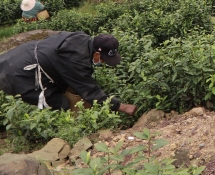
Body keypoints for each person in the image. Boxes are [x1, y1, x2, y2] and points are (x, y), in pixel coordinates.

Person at [0, 32, 136, 115]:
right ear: (96, 53)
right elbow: (91, 92)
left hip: (23, 53)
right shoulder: (77, 62)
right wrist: (121, 107)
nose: (104, 63)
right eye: (103, 59)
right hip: (23, 72)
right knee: (61, 104)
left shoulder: (81, 39)